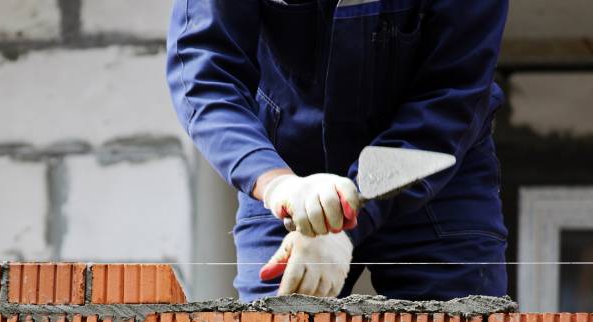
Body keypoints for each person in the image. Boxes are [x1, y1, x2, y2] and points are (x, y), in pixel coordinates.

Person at [166, 0, 510, 302]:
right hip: (289, 175)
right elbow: (206, 74)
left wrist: (345, 213)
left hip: (432, 178)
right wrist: (275, 184)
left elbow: (450, 98)